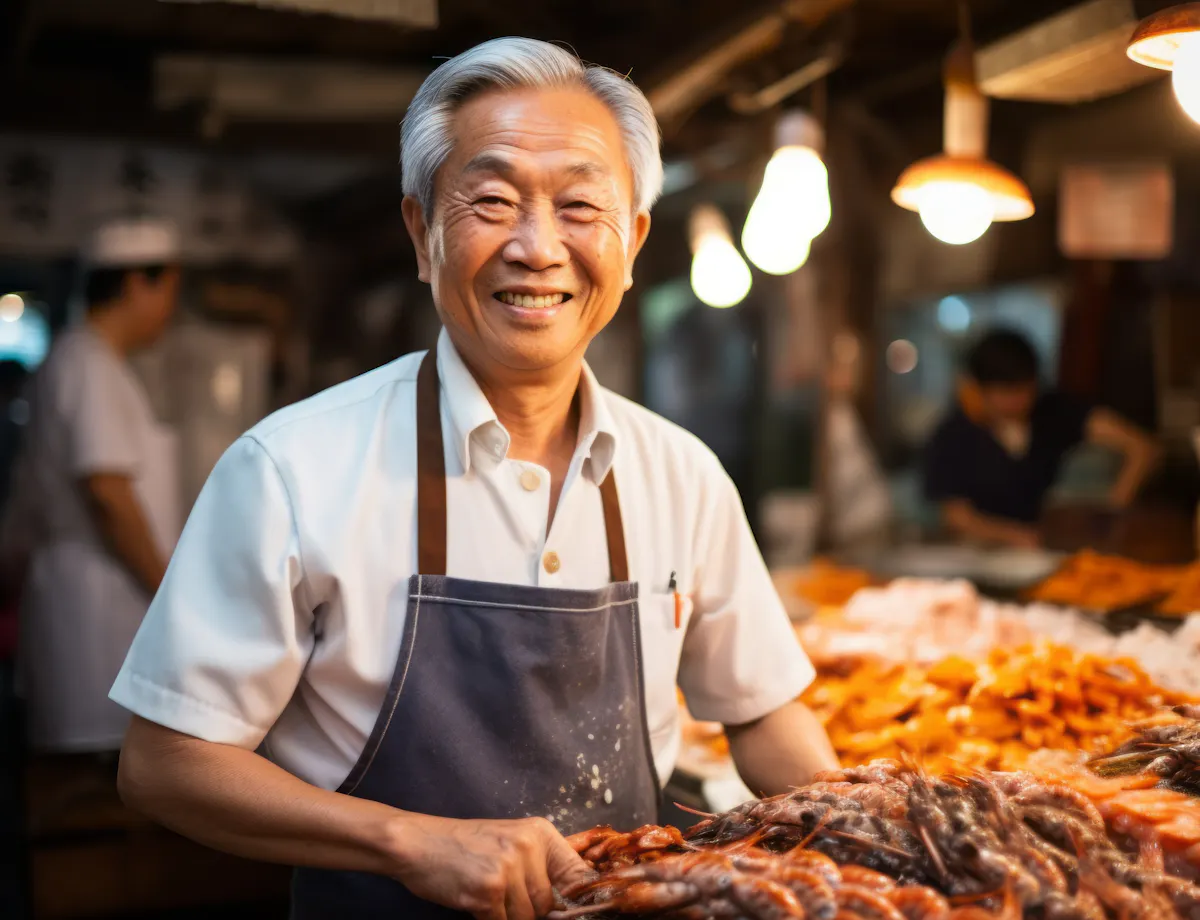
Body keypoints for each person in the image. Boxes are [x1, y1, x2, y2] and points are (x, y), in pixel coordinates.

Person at [110, 37, 838, 920]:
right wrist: (410, 842)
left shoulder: (682, 474)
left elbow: (761, 716)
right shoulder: (290, 470)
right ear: (423, 234)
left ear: (633, 243)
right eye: (492, 201)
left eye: (581, 205)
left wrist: (867, 832)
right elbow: (164, 763)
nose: (538, 247)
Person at [15, 218, 182, 753]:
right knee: (90, 770)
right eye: (169, 290)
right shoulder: (88, 364)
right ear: (136, 284)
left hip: (91, 593)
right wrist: (170, 593)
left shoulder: (82, 358)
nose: (170, 310)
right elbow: (108, 492)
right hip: (93, 602)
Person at [922, 328, 1158, 548]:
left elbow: (1142, 447)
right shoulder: (954, 434)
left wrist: (1114, 506)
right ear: (979, 389)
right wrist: (1020, 537)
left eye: (1025, 390)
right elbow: (957, 518)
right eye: (1006, 392)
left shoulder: (1054, 410)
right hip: (983, 555)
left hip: (1058, 548)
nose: (1018, 401)